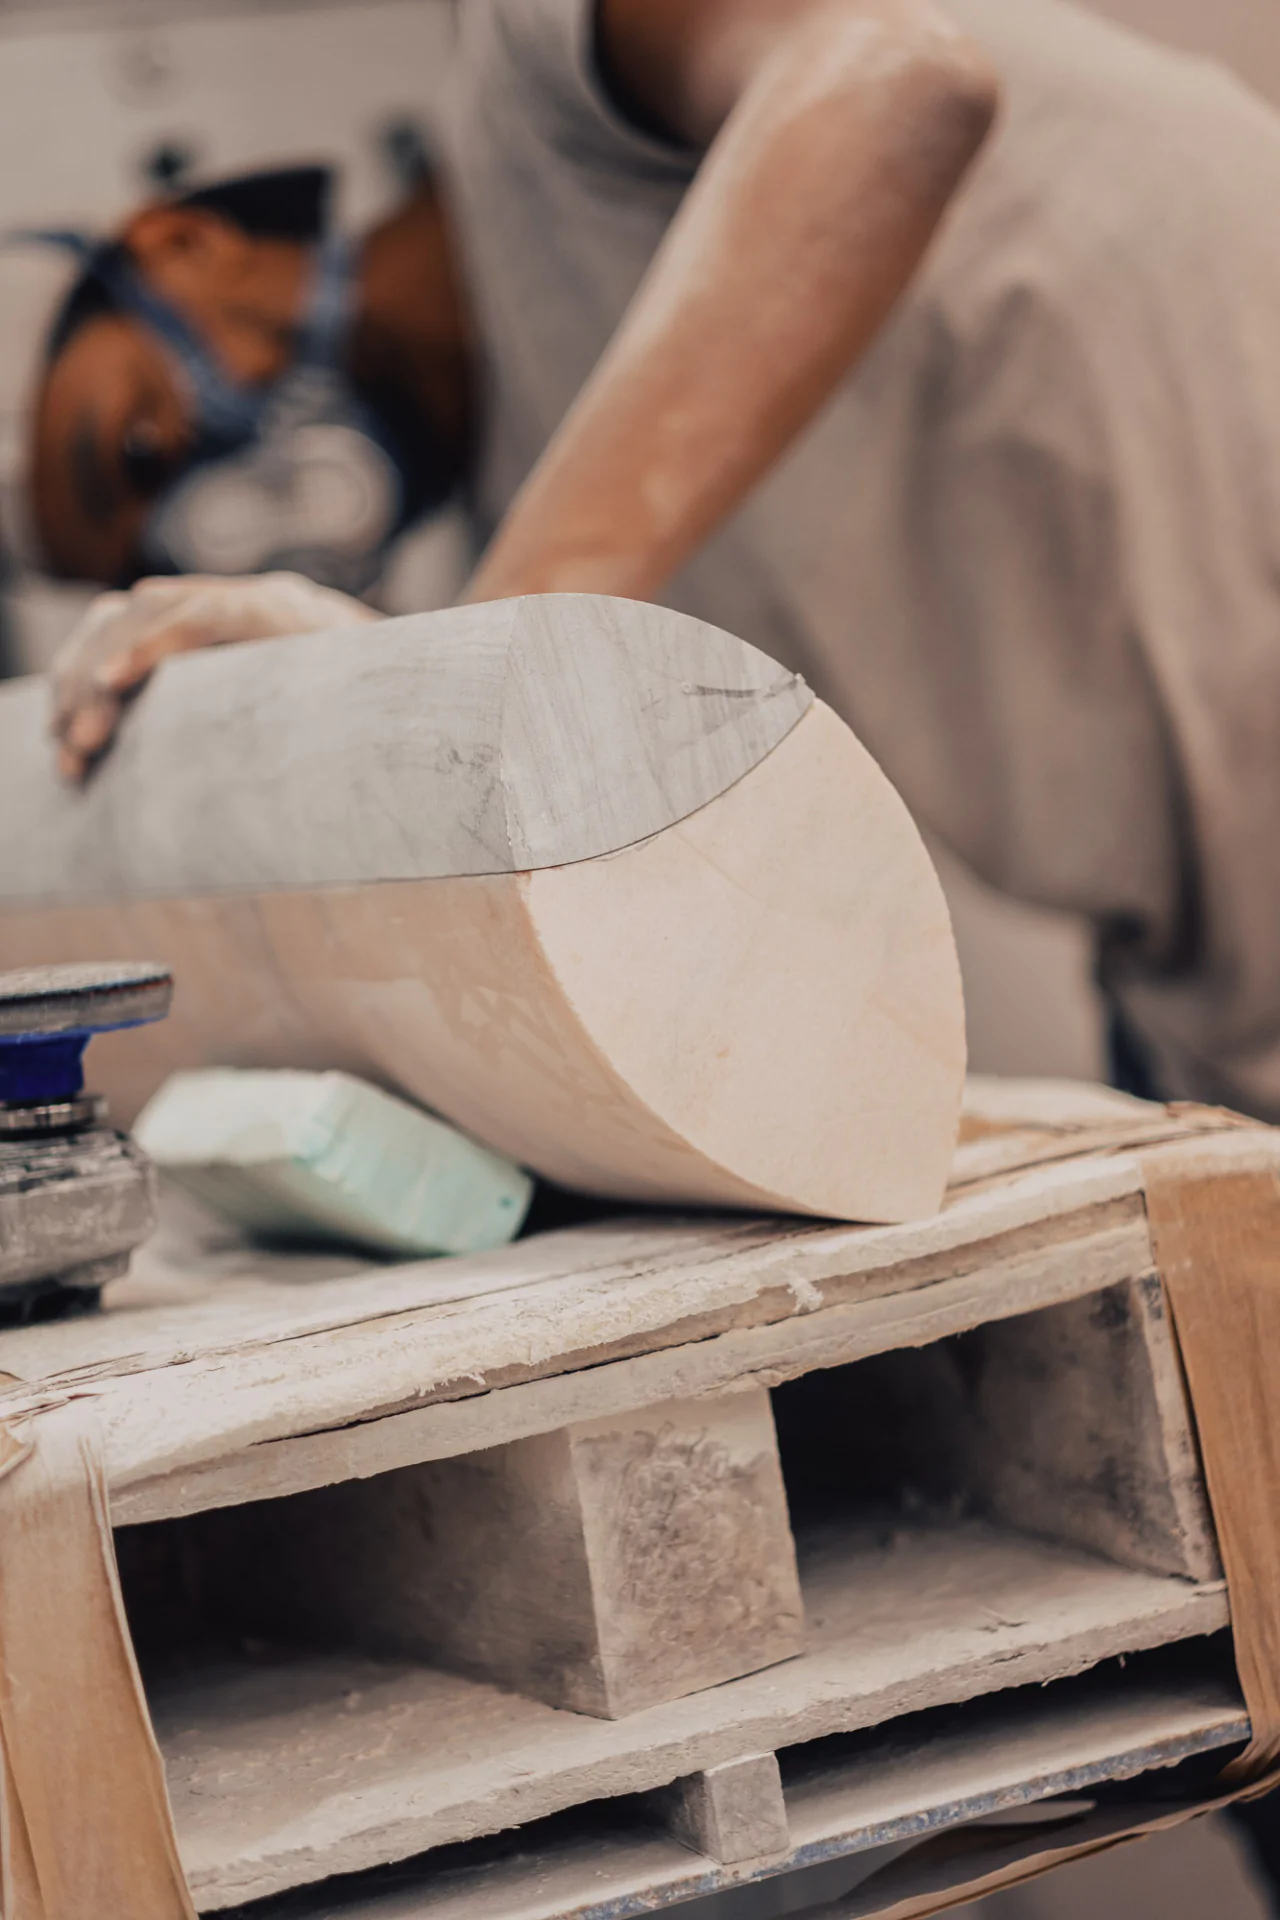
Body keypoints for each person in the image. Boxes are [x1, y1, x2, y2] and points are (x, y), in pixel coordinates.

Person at [26, 0, 1280, 1144]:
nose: (211, 514)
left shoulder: (541, 72)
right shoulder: (565, 521)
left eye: (131, 442)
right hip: (1214, 1000)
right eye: (156, 544)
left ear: (182, 243)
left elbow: (894, 84)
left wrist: (469, 675)